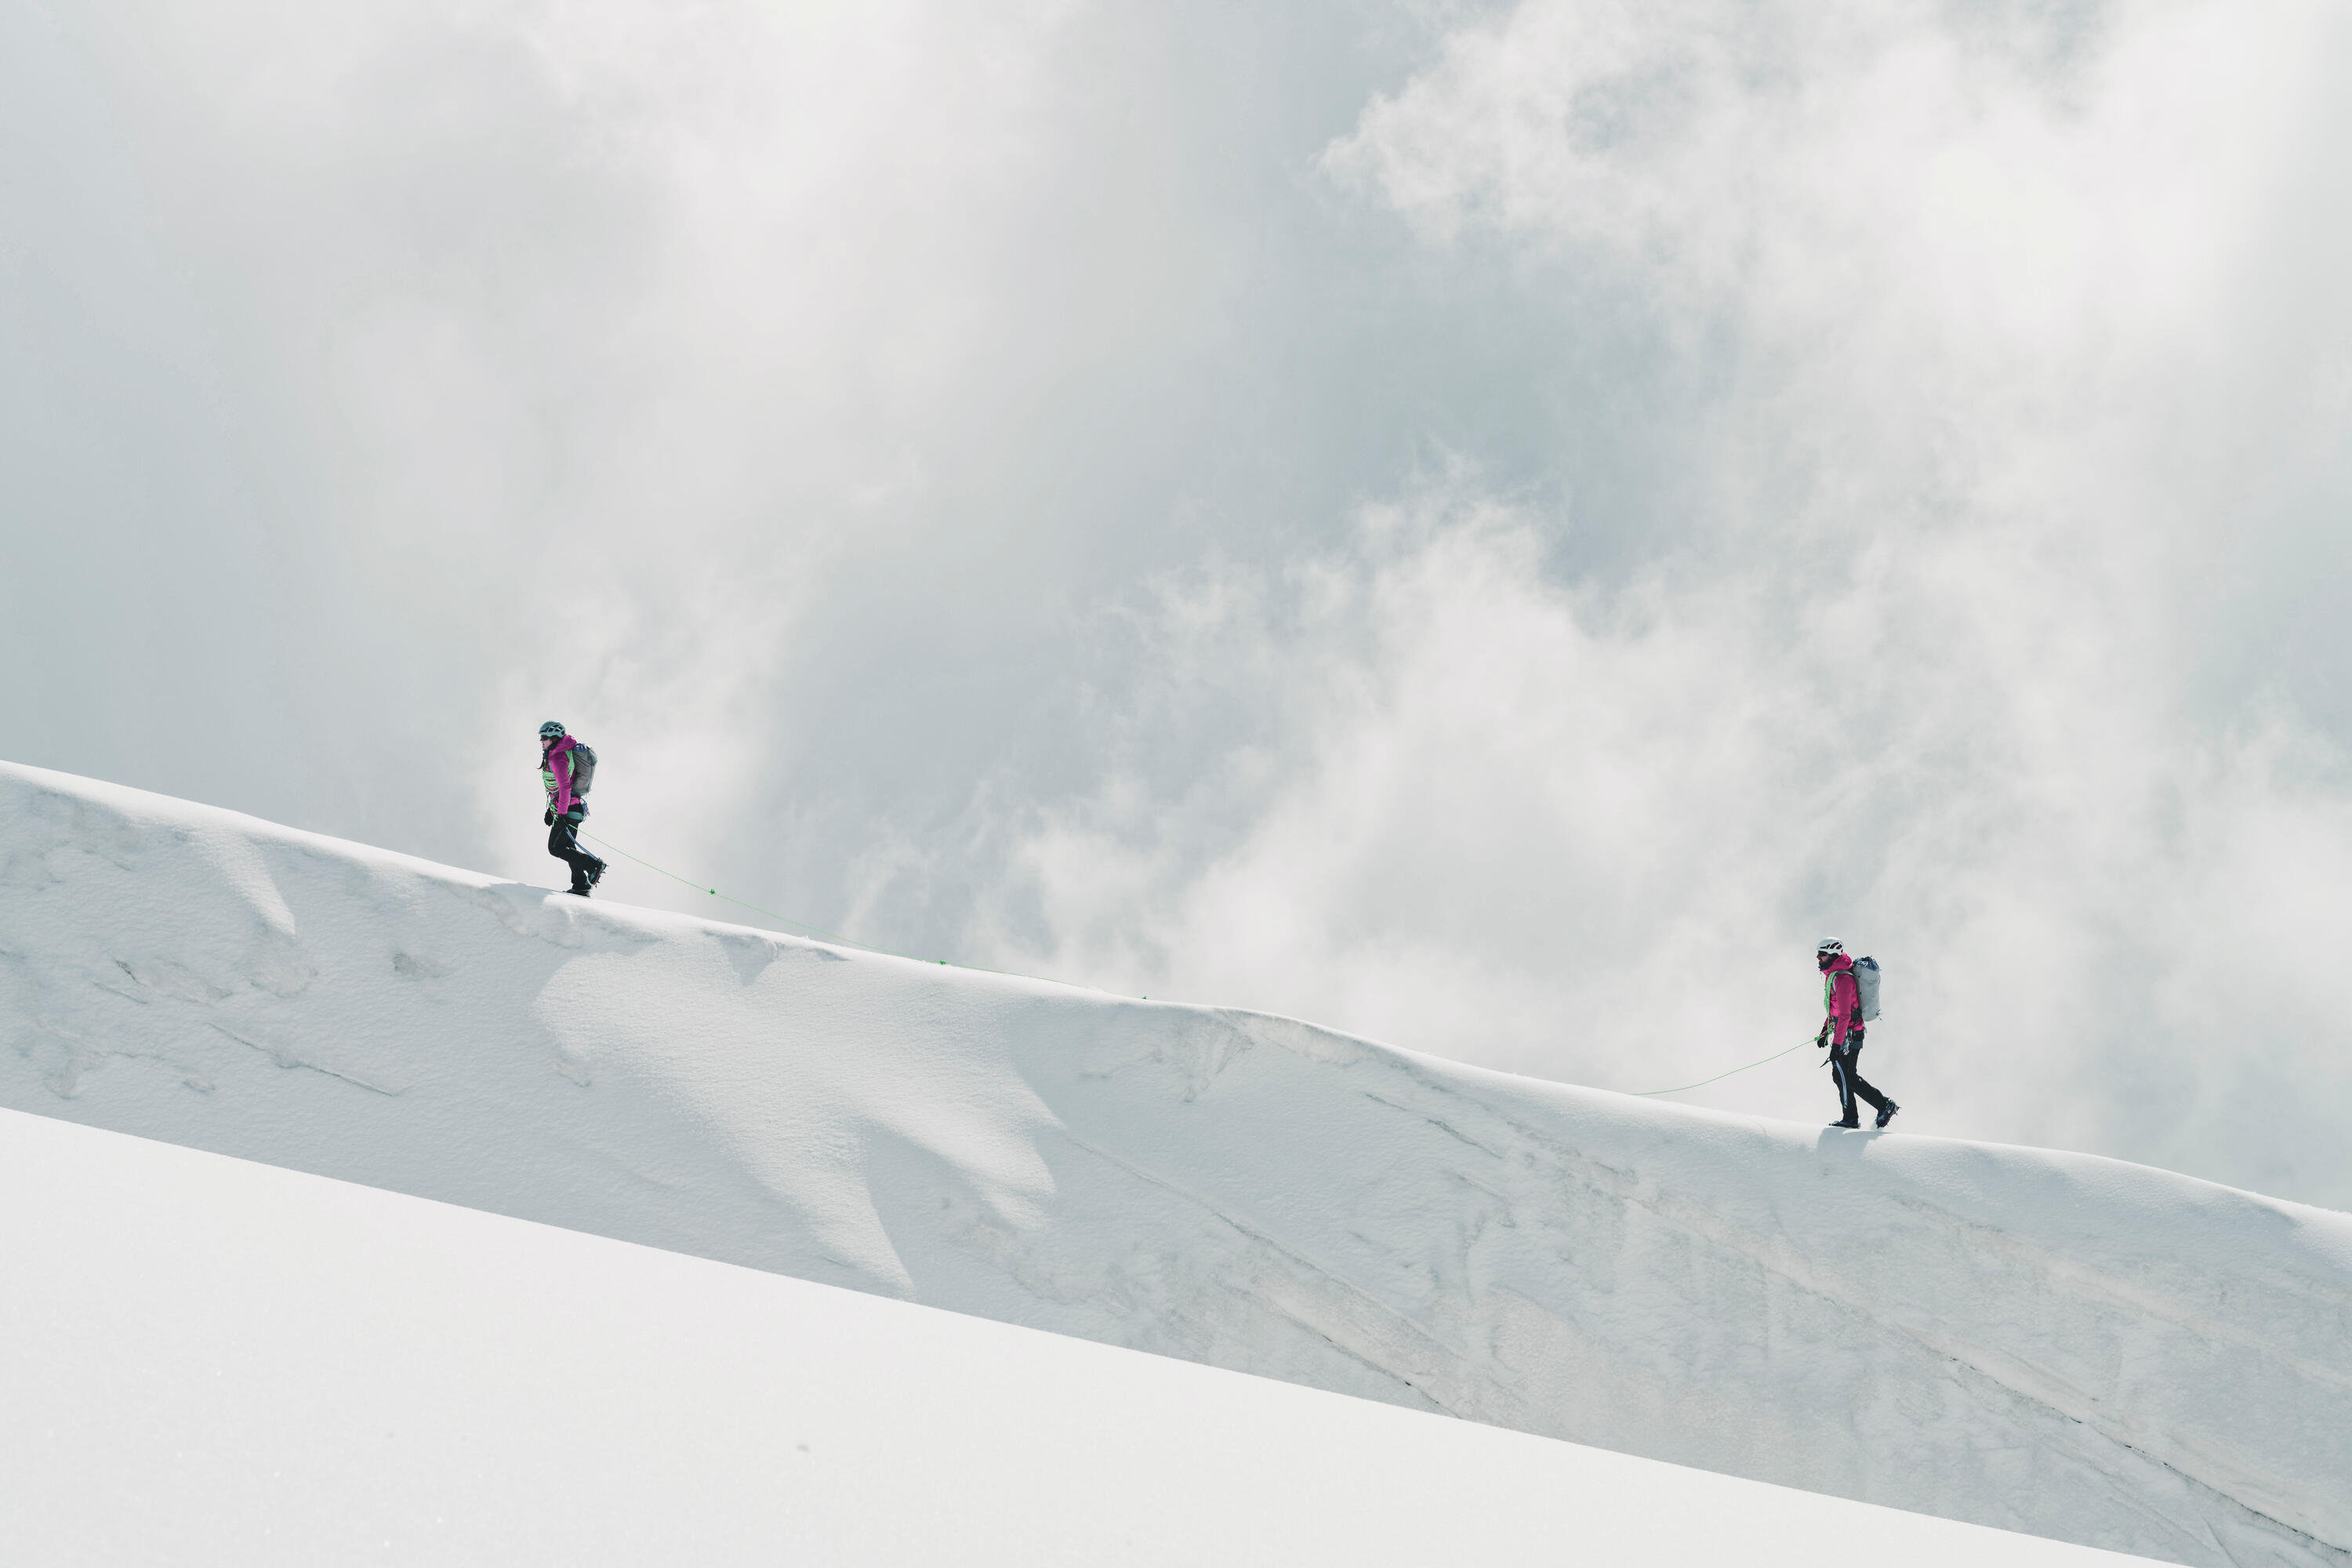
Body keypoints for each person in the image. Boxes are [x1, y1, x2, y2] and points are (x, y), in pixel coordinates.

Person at [1817, 938, 1897, 1129]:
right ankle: (1854, 1116)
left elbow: (1845, 1015)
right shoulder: (1833, 976)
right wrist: (1825, 1030)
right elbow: (1835, 1011)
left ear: (1833, 955)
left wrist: (1836, 1046)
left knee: (1846, 1076)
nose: (1818, 957)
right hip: (1845, 1033)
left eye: (1822, 954)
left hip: (1850, 1035)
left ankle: (1876, 1108)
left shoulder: (1843, 979)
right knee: (1842, 1076)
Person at [539, 720, 605, 897]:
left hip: (568, 810)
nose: (541, 740)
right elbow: (559, 789)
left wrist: (559, 815)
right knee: (568, 848)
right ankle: (581, 885)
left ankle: (593, 865)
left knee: (555, 848)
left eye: (544, 737)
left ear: (554, 738)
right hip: (571, 808)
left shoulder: (558, 758)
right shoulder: (558, 753)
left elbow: (565, 787)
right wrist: (551, 811)